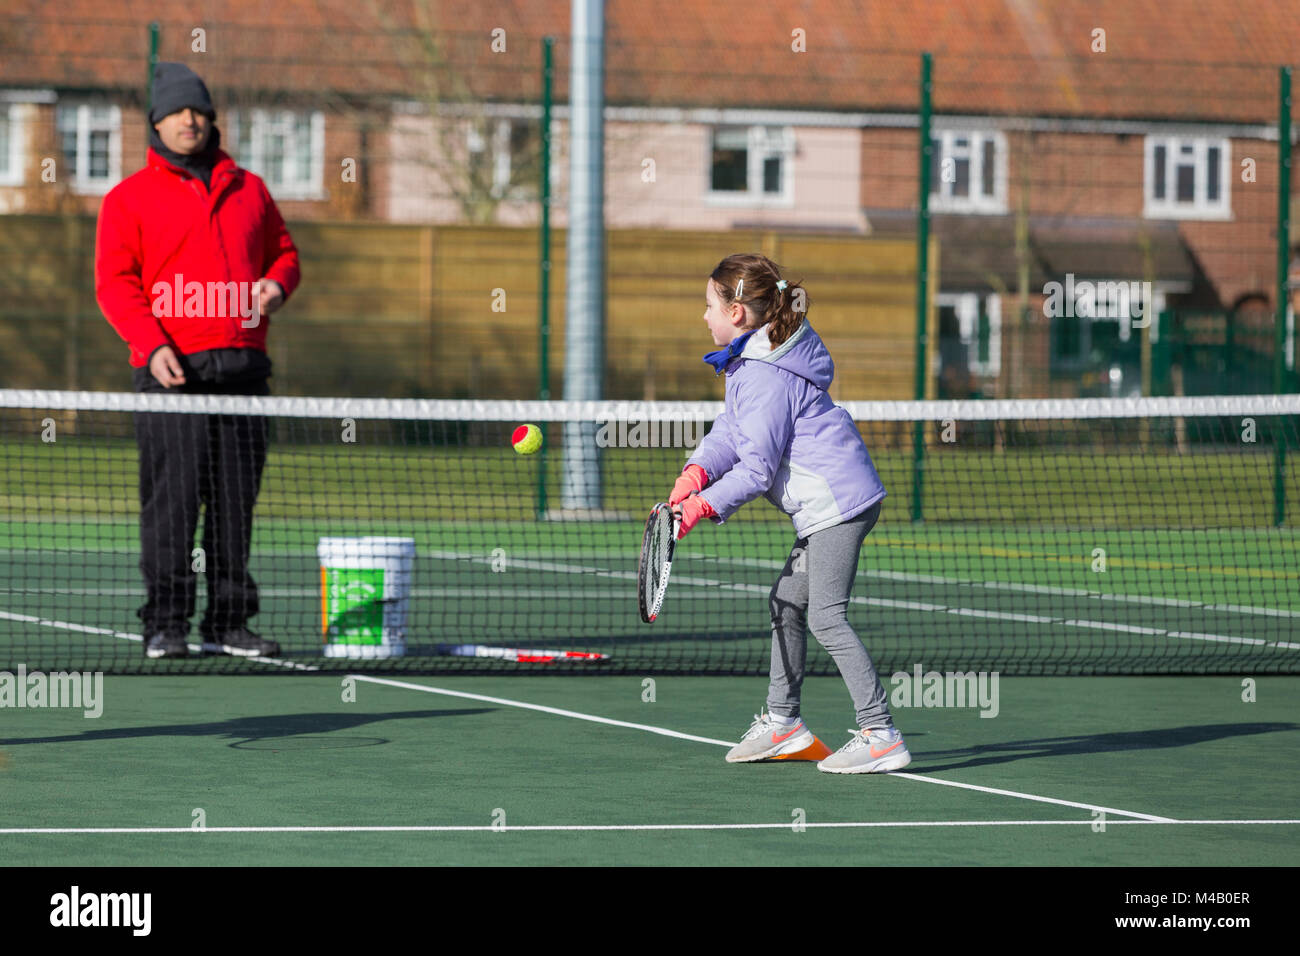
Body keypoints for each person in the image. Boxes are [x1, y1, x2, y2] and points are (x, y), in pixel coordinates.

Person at [668, 253, 911, 773]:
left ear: (737, 312)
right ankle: (784, 725)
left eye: (708, 304)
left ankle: (881, 732)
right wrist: (696, 473)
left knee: (826, 615)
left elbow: (756, 470)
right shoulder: (755, 362)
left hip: (836, 507)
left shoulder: (763, 372)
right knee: (786, 603)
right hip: (829, 505)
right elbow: (733, 432)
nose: (702, 315)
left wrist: (702, 506)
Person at [95, 63, 300, 659]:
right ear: (157, 122)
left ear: (211, 120)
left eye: (199, 110)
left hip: (244, 373)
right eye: (178, 111)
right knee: (173, 505)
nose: (190, 120)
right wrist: (151, 345)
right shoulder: (128, 198)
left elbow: (284, 253)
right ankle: (165, 624)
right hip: (172, 376)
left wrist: (277, 286)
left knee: (235, 505)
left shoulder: (252, 190)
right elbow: (115, 283)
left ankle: (229, 622)